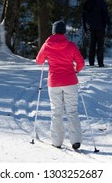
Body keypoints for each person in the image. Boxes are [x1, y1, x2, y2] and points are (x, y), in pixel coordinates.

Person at [35, 20, 85, 149]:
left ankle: (57, 142)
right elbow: (81, 62)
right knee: (72, 111)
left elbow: (39, 61)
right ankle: (75, 141)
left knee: (56, 112)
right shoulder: (71, 45)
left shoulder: (47, 45)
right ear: (64, 32)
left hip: (54, 82)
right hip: (70, 82)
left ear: (53, 32)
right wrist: (76, 70)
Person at [82, 0, 110, 67]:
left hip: (91, 28)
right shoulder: (101, 2)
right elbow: (105, 15)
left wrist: (85, 27)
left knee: (92, 45)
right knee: (100, 46)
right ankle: (100, 63)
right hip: (100, 27)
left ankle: (91, 63)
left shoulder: (87, 2)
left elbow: (83, 16)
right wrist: (108, 24)